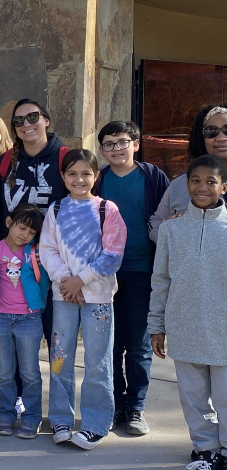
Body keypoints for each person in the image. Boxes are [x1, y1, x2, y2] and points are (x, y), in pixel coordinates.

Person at [0, 99, 68, 415]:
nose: (26, 124)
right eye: (18, 120)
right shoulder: (5, 163)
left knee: (57, 340)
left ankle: (60, 407)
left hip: (55, 265)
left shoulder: (64, 158)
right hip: (14, 265)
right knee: (16, 339)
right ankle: (17, 399)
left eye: (33, 117)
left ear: (46, 119)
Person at [39, 149, 127, 450]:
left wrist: (81, 280)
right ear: (63, 177)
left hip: (98, 298)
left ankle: (96, 423)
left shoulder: (107, 210)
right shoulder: (56, 210)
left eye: (86, 173)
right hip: (64, 296)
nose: (79, 179)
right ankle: (61, 417)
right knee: (60, 358)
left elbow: (113, 254)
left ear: (95, 176)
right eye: (72, 174)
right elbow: (47, 250)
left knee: (98, 360)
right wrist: (67, 281)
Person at [149, 155, 227, 470]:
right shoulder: (171, 230)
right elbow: (161, 280)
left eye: (211, 181)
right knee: (193, 398)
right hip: (184, 326)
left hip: (222, 330)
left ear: (224, 185)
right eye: (196, 180)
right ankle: (205, 449)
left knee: (225, 398)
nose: (202, 187)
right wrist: (157, 325)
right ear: (186, 184)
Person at [93, 121, 169, 436]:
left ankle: (136, 407)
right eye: (108, 144)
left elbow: (168, 217)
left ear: (135, 143)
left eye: (121, 142)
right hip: (105, 274)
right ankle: (115, 405)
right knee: (110, 344)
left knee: (138, 345)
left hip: (142, 272)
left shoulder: (152, 177)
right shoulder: (98, 180)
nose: (115, 149)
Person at [0, 203, 49, 439]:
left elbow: (45, 280)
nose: (25, 235)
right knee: (3, 371)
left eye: (31, 232)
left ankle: (31, 417)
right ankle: (6, 414)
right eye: (22, 228)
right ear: (9, 222)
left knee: (30, 373)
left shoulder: (35, 252)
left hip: (28, 318)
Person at [149, 103, 227, 242]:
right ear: (200, 138)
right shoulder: (180, 184)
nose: (221, 138)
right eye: (211, 131)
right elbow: (154, 224)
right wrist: (169, 231)